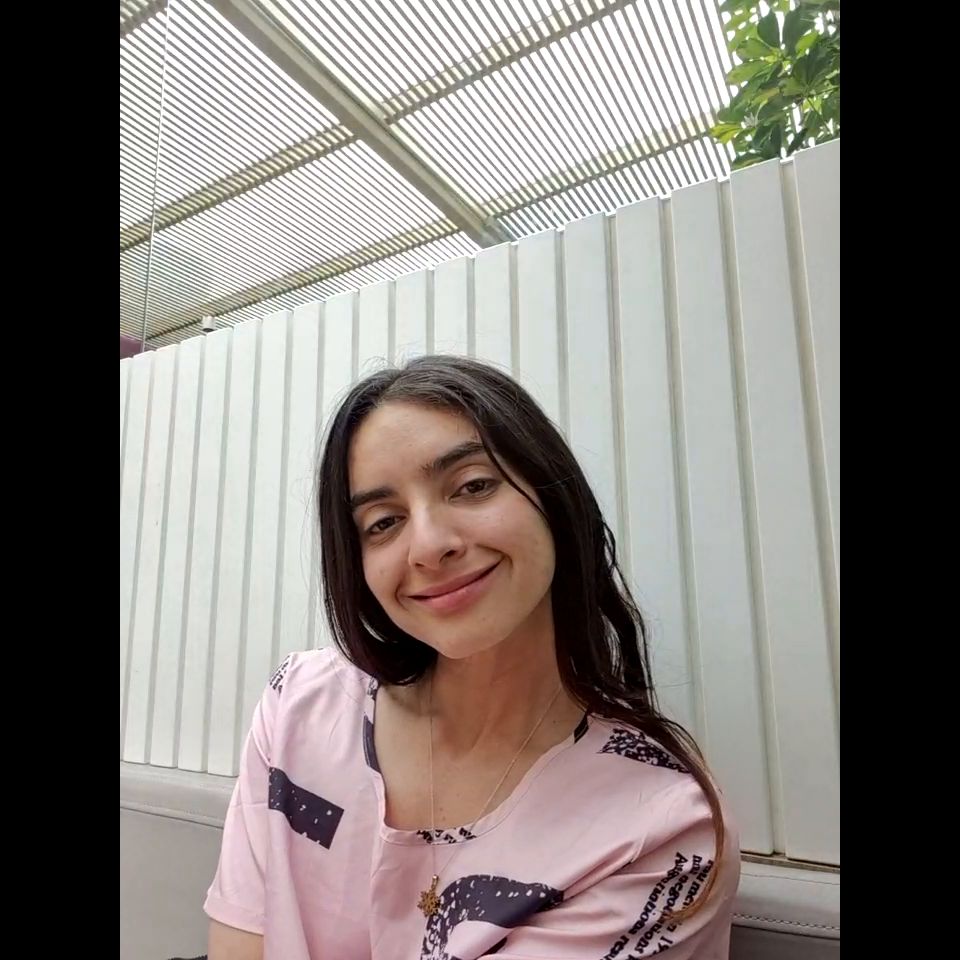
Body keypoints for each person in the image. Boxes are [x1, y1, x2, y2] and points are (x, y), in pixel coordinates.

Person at [205, 355, 739, 959]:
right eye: (383, 522)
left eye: (473, 486)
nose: (429, 546)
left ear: (552, 496)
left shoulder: (658, 827)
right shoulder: (299, 705)